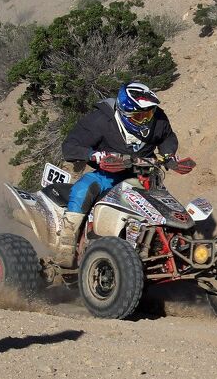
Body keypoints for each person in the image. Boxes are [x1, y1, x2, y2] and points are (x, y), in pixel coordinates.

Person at [55, 82, 195, 267]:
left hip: (144, 175)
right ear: (124, 112)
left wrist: (169, 157)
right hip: (109, 174)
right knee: (83, 189)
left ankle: (172, 244)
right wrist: (94, 155)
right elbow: (70, 146)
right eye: (139, 116)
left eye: (149, 114)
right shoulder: (101, 120)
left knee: (163, 205)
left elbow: (167, 137)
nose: (146, 120)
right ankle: (66, 248)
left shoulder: (157, 117)